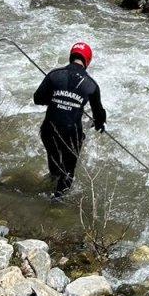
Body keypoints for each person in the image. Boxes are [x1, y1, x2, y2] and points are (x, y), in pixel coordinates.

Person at [33, 41, 106, 197]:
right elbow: (99, 115)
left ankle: (52, 178)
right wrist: (100, 124)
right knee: (68, 171)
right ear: (88, 61)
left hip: (49, 129)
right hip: (71, 133)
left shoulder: (54, 75)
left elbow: (37, 99)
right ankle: (56, 205)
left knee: (54, 158)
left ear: (70, 56)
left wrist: (56, 98)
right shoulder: (91, 85)